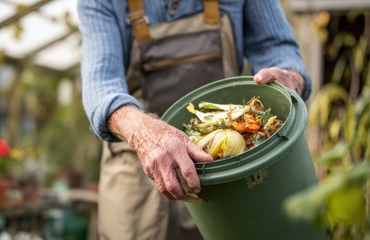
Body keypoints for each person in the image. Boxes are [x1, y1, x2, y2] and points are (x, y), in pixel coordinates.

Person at [77, 0, 311, 239]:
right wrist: (142, 134)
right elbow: (100, 83)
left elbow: (276, 49)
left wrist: (290, 78)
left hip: (225, 172)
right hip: (137, 174)